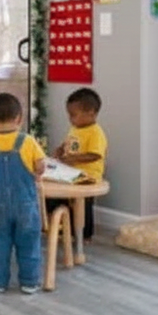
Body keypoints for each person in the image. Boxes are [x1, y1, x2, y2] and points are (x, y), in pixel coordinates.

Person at [0, 93, 47, 293]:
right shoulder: (28, 141)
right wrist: (37, 173)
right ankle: (30, 282)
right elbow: (40, 166)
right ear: (19, 119)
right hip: (25, 204)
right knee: (29, 242)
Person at [50, 88, 107, 241]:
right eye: (69, 114)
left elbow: (95, 154)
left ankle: (85, 234)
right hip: (73, 174)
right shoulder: (75, 129)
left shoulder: (95, 132)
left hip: (88, 176)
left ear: (91, 113)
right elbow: (69, 143)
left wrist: (74, 159)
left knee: (83, 204)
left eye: (73, 115)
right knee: (66, 199)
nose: (70, 118)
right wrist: (61, 149)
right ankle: (65, 227)